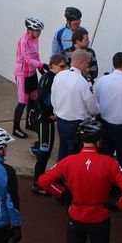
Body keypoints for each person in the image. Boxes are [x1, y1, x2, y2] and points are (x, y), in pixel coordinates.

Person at [30, 53, 69, 194]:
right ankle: (37, 183)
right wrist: (49, 114)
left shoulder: (52, 77)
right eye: (62, 66)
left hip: (45, 120)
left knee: (46, 152)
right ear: (53, 65)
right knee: (44, 152)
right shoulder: (50, 78)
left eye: (66, 66)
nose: (65, 69)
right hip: (44, 121)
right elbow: (40, 100)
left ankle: (40, 182)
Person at [50, 49, 98, 163]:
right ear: (83, 61)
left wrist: (57, 112)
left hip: (61, 121)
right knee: (74, 156)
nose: (88, 66)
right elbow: (92, 107)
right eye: (87, 63)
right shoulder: (82, 82)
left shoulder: (59, 76)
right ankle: (70, 179)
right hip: (76, 125)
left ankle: (59, 178)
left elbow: (54, 99)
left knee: (62, 151)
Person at [11, 16, 44, 139]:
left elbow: (36, 55)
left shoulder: (35, 40)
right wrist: (42, 65)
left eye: (40, 30)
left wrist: (41, 69)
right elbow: (27, 59)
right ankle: (16, 128)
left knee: (33, 99)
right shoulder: (23, 41)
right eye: (37, 30)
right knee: (22, 102)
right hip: (22, 74)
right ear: (29, 30)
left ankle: (30, 123)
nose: (39, 33)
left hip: (32, 73)